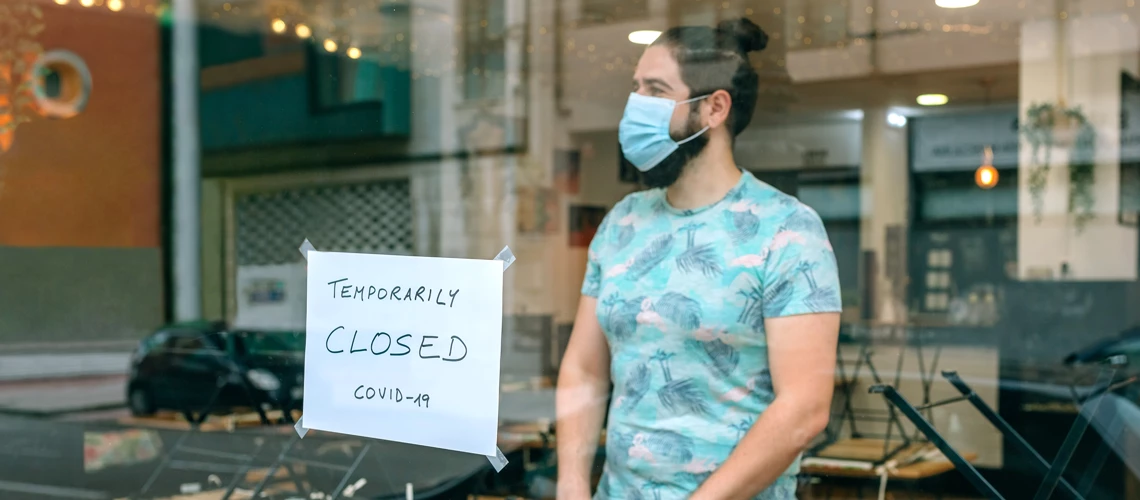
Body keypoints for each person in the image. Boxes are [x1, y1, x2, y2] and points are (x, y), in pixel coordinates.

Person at [555, 18, 842, 500]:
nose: (636, 105)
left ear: (714, 107)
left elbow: (805, 408)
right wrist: (571, 485)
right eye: (635, 88)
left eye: (656, 89)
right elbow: (584, 369)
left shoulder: (787, 229)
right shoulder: (622, 222)